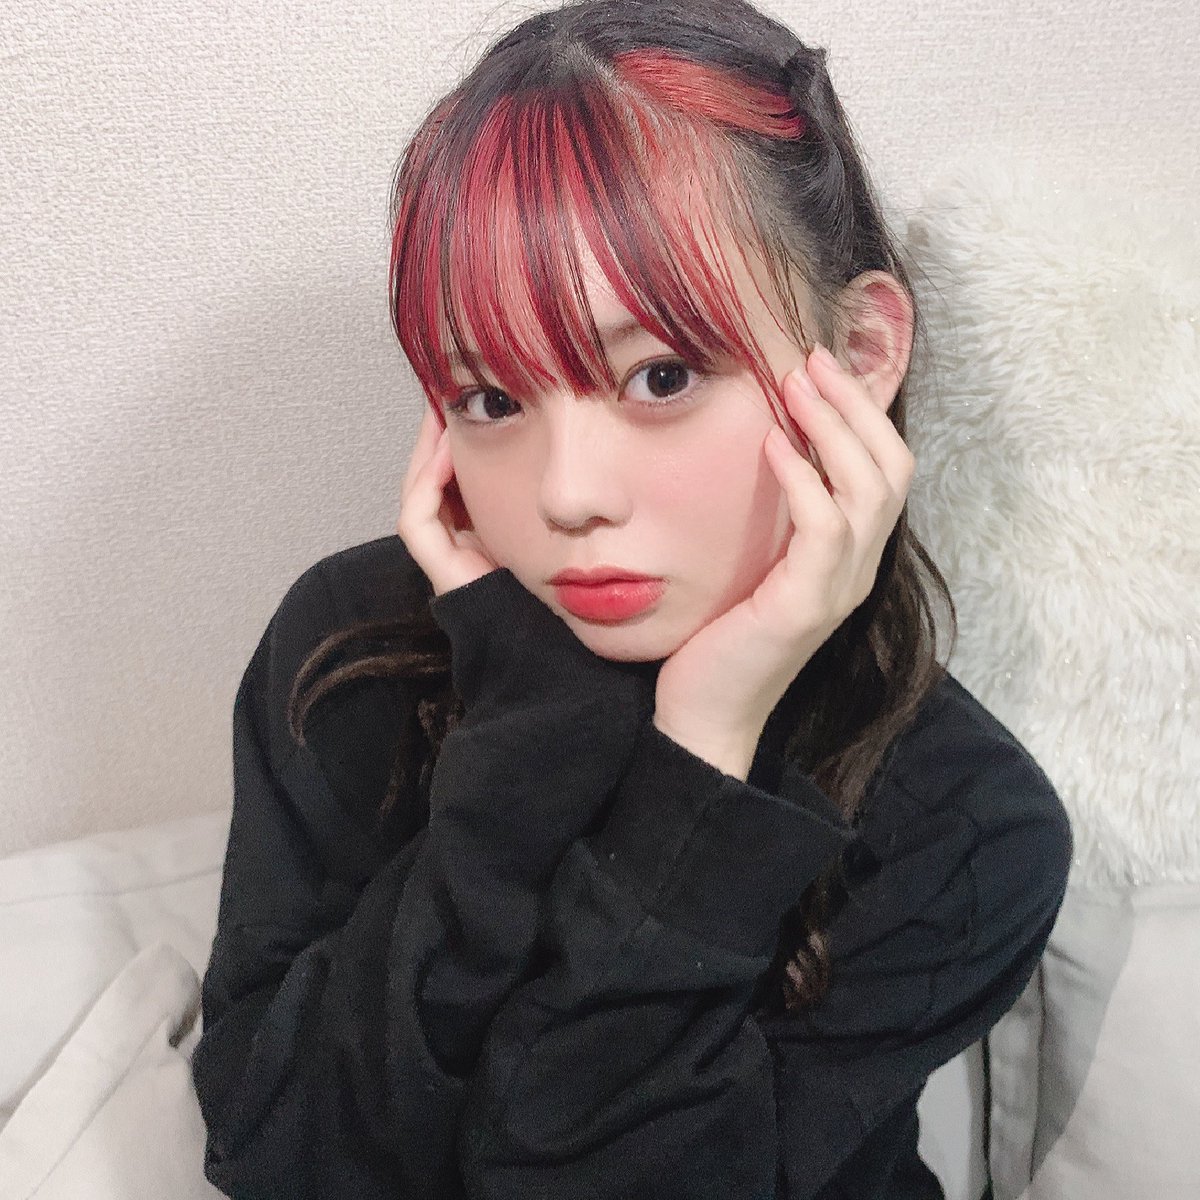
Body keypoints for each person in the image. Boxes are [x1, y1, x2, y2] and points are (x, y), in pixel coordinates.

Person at [191, 1, 1073, 1197]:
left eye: (661, 376)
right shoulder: (350, 657)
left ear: (860, 355)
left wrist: (701, 757)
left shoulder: (965, 821)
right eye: (491, 398)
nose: (566, 495)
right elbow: (275, 1152)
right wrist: (527, 738)